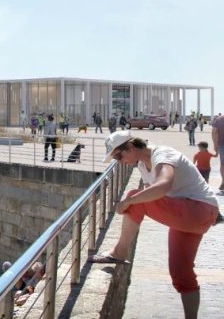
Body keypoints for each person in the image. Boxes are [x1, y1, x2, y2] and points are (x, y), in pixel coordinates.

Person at [90, 131, 220, 319]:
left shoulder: (163, 154)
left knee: (134, 198)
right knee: (180, 271)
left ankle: (120, 251)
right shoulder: (143, 164)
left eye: (119, 155)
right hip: (189, 213)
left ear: (131, 147)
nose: (119, 161)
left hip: (199, 209)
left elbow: (163, 185)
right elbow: (156, 194)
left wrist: (127, 202)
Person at [212, 114, 224, 191]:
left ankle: (223, 181)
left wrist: (215, 145)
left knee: (223, 164)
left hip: (222, 144)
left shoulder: (219, 119)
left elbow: (214, 132)